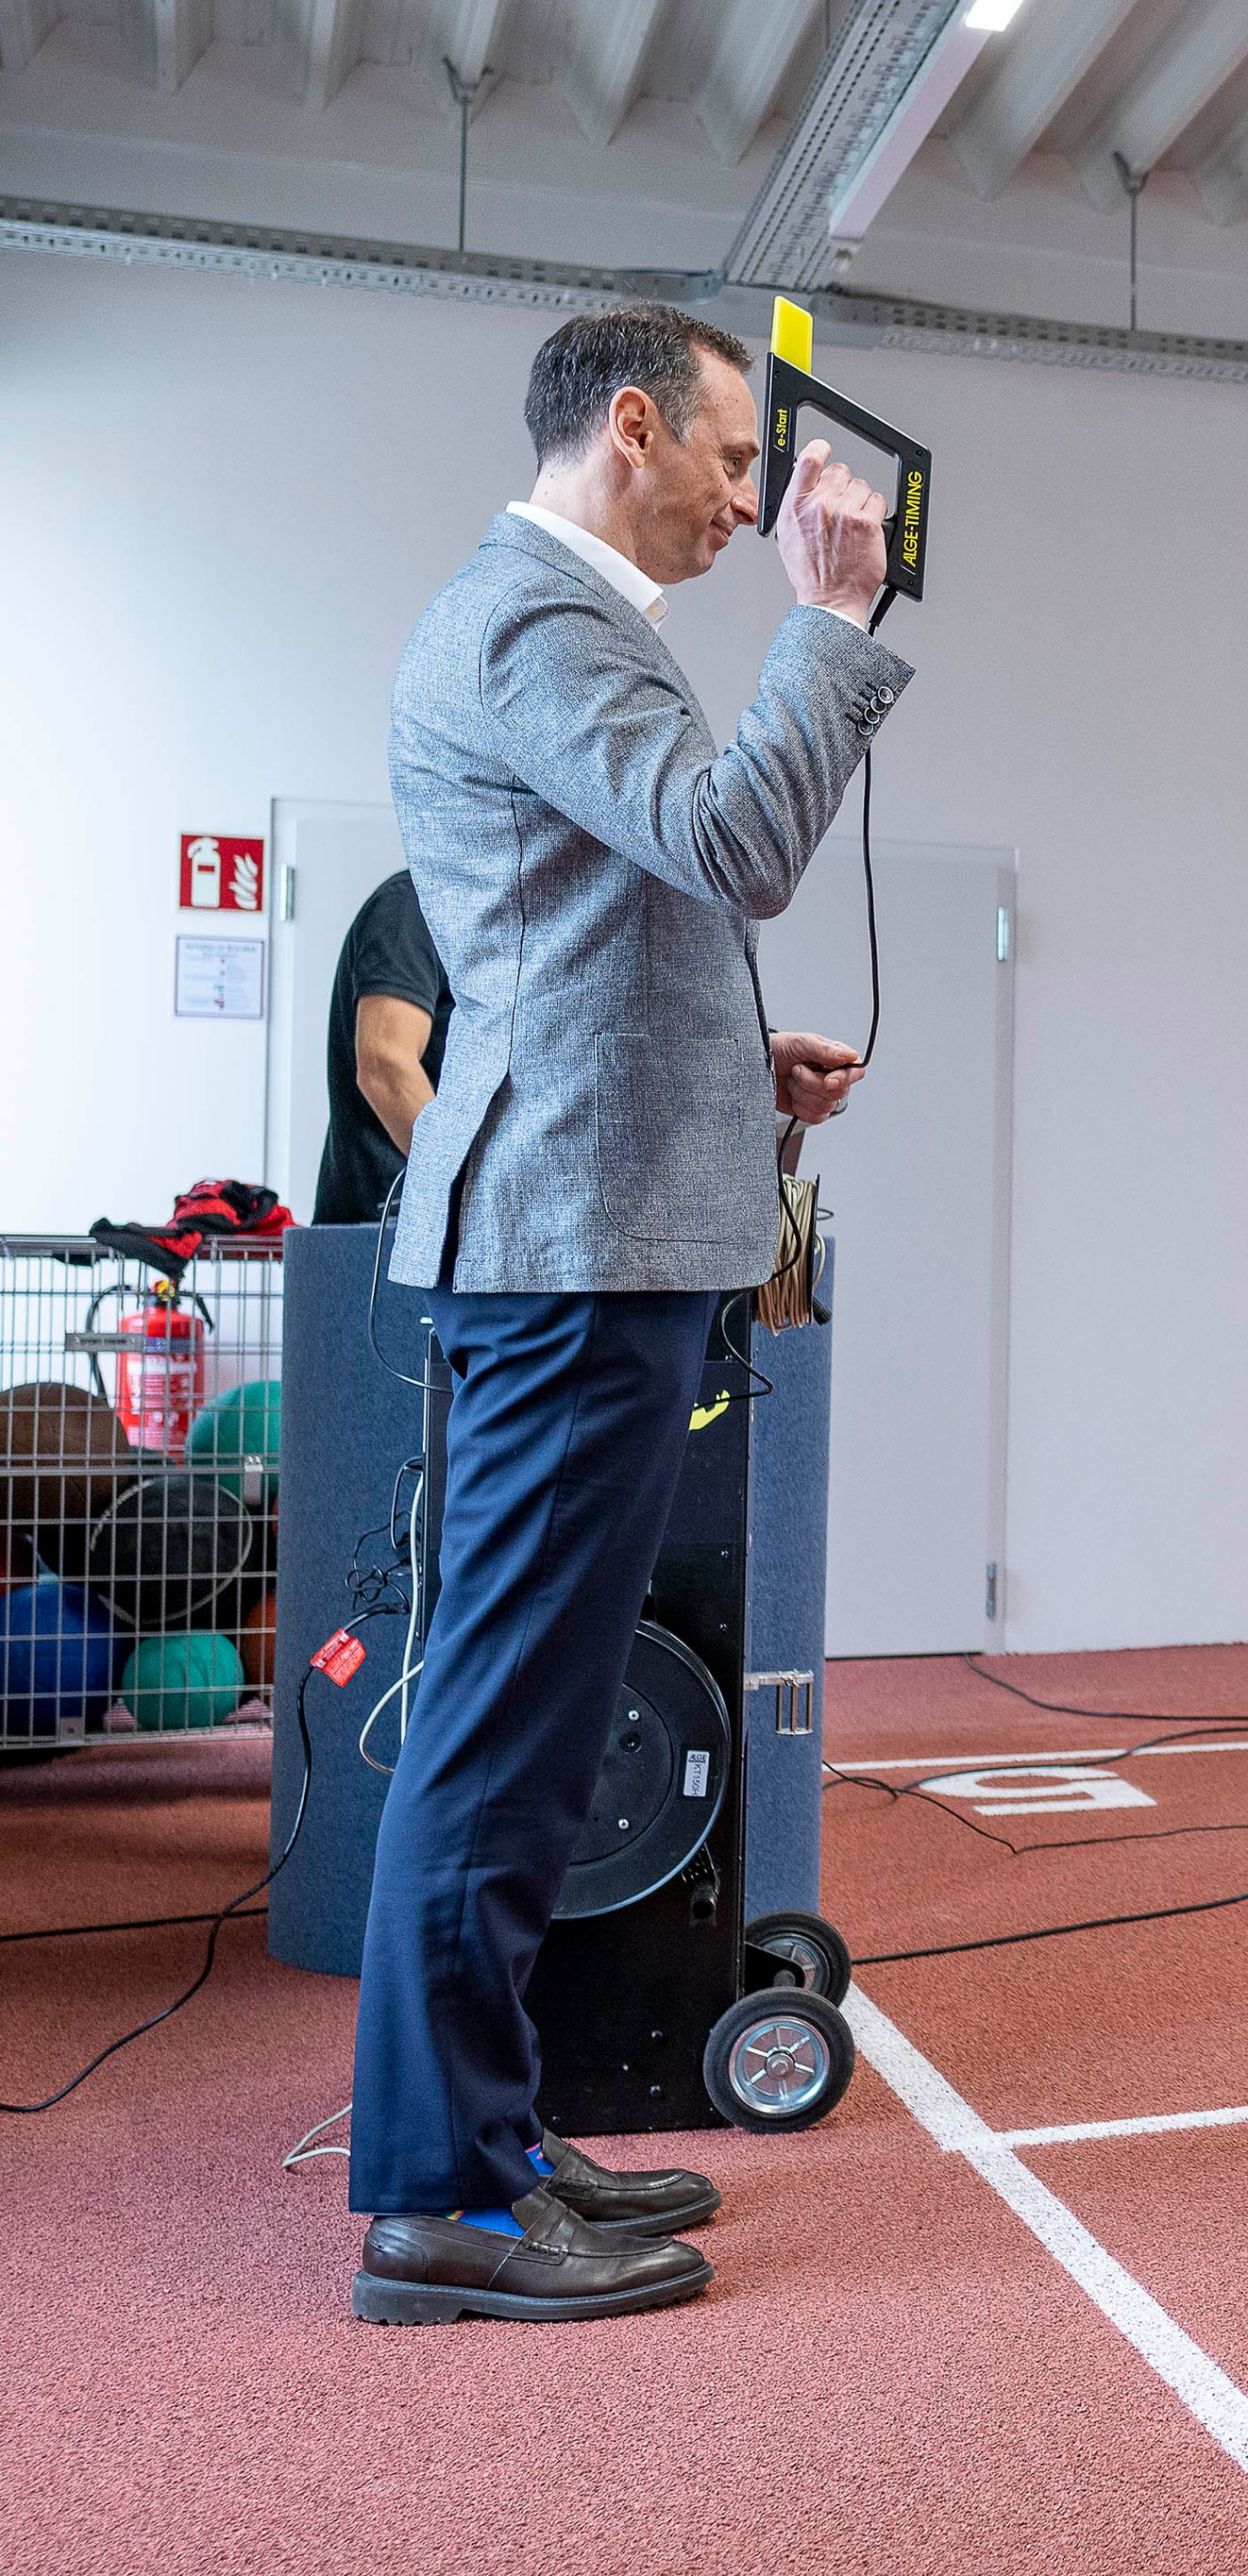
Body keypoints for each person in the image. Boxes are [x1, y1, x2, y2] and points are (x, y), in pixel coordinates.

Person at [346, 302, 904, 2327]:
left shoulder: (566, 624)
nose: (754, 500)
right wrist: (829, 625)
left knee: (540, 1717)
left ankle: (488, 2140)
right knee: (506, 1728)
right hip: (571, 1253)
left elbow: (586, 946)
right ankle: (441, 2203)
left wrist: (741, 1074)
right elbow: (737, 842)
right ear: (636, 425)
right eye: (737, 461)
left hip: (598, 1226)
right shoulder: (537, 619)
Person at [312, 870, 451, 1226]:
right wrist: (477, 1191)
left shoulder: (500, 924)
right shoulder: (413, 905)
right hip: (388, 1230)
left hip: (438, 1225)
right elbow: (385, 1065)